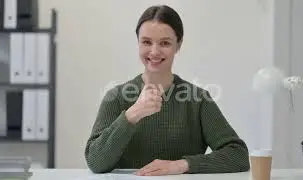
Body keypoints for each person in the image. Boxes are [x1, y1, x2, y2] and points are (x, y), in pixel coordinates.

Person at [84, 4, 250, 176]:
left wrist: (182, 165)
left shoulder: (198, 99)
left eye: (165, 43)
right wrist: (132, 115)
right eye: (147, 42)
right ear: (138, 43)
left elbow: (238, 155)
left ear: (178, 45)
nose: (154, 51)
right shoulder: (116, 97)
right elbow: (96, 162)